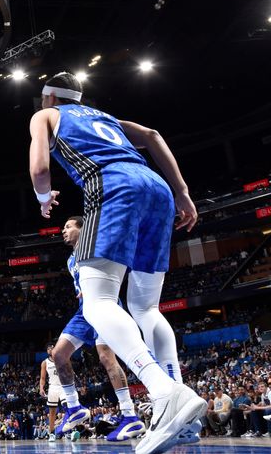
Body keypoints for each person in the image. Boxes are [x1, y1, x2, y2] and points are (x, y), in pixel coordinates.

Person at [28, 72, 205, 454]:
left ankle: (162, 390)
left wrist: (43, 198)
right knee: (145, 306)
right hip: (156, 187)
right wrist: (183, 192)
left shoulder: (45, 116)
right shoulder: (104, 116)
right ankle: (179, 402)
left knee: (97, 302)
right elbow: (154, 136)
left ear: (49, 98)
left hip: (113, 187)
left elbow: (40, 169)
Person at [51, 216, 146, 442]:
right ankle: (74, 408)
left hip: (105, 303)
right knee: (58, 354)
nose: (63, 231)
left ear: (82, 229)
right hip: (85, 310)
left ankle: (129, 415)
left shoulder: (95, 244)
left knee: (106, 358)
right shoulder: (70, 260)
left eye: (68, 226)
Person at [39, 343, 63, 441]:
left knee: (68, 408)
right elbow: (42, 378)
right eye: (48, 348)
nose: (50, 349)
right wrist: (41, 388)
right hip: (53, 387)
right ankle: (52, 433)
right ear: (47, 351)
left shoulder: (62, 359)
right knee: (52, 411)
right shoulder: (45, 362)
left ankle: (71, 430)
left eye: (52, 348)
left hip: (63, 386)